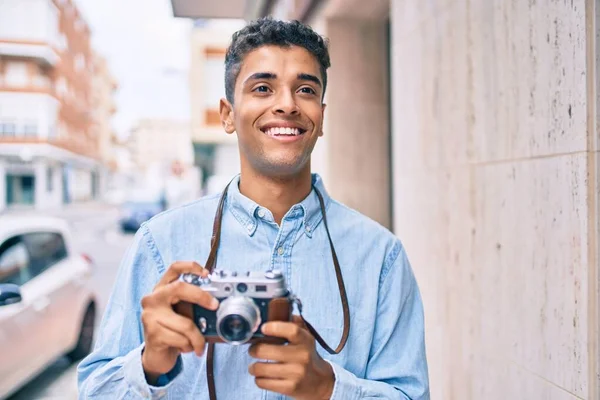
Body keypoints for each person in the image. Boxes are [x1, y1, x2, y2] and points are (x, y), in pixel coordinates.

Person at [78, 17, 429, 400]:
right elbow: (94, 391)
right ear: (227, 114)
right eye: (263, 88)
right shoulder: (160, 244)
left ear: (322, 116)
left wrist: (329, 388)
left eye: (306, 89)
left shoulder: (381, 257)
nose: (287, 105)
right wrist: (149, 364)